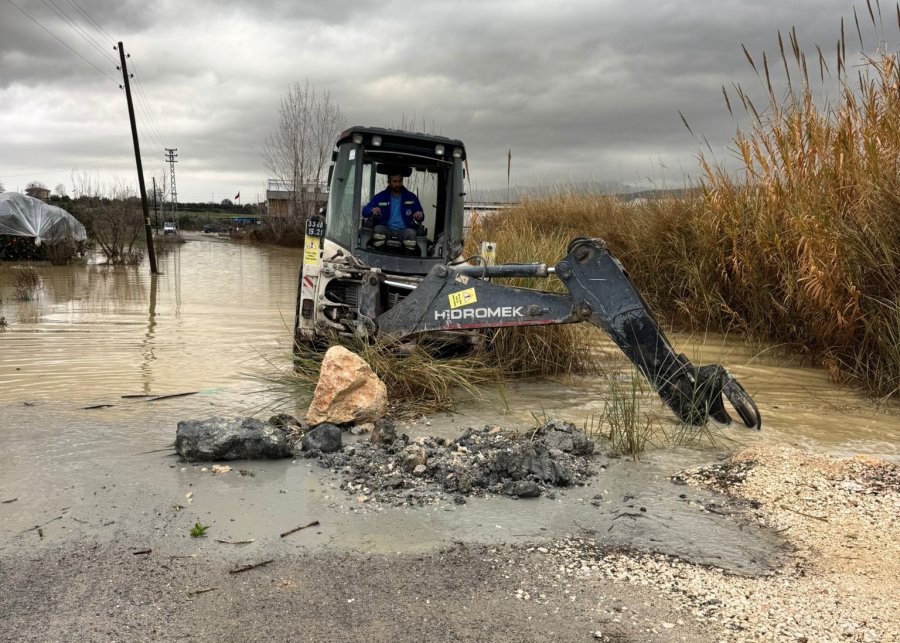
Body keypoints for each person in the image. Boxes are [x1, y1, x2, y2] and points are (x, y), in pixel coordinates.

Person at [361, 174, 424, 252]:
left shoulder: (411, 197)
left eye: (400, 181)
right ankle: (379, 255)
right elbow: (364, 212)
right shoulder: (380, 196)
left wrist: (419, 215)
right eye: (395, 181)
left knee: (411, 233)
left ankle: (408, 258)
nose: (398, 184)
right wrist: (372, 209)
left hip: (404, 230)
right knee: (378, 229)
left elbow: (421, 214)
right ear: (389, 182)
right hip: (386, 229)